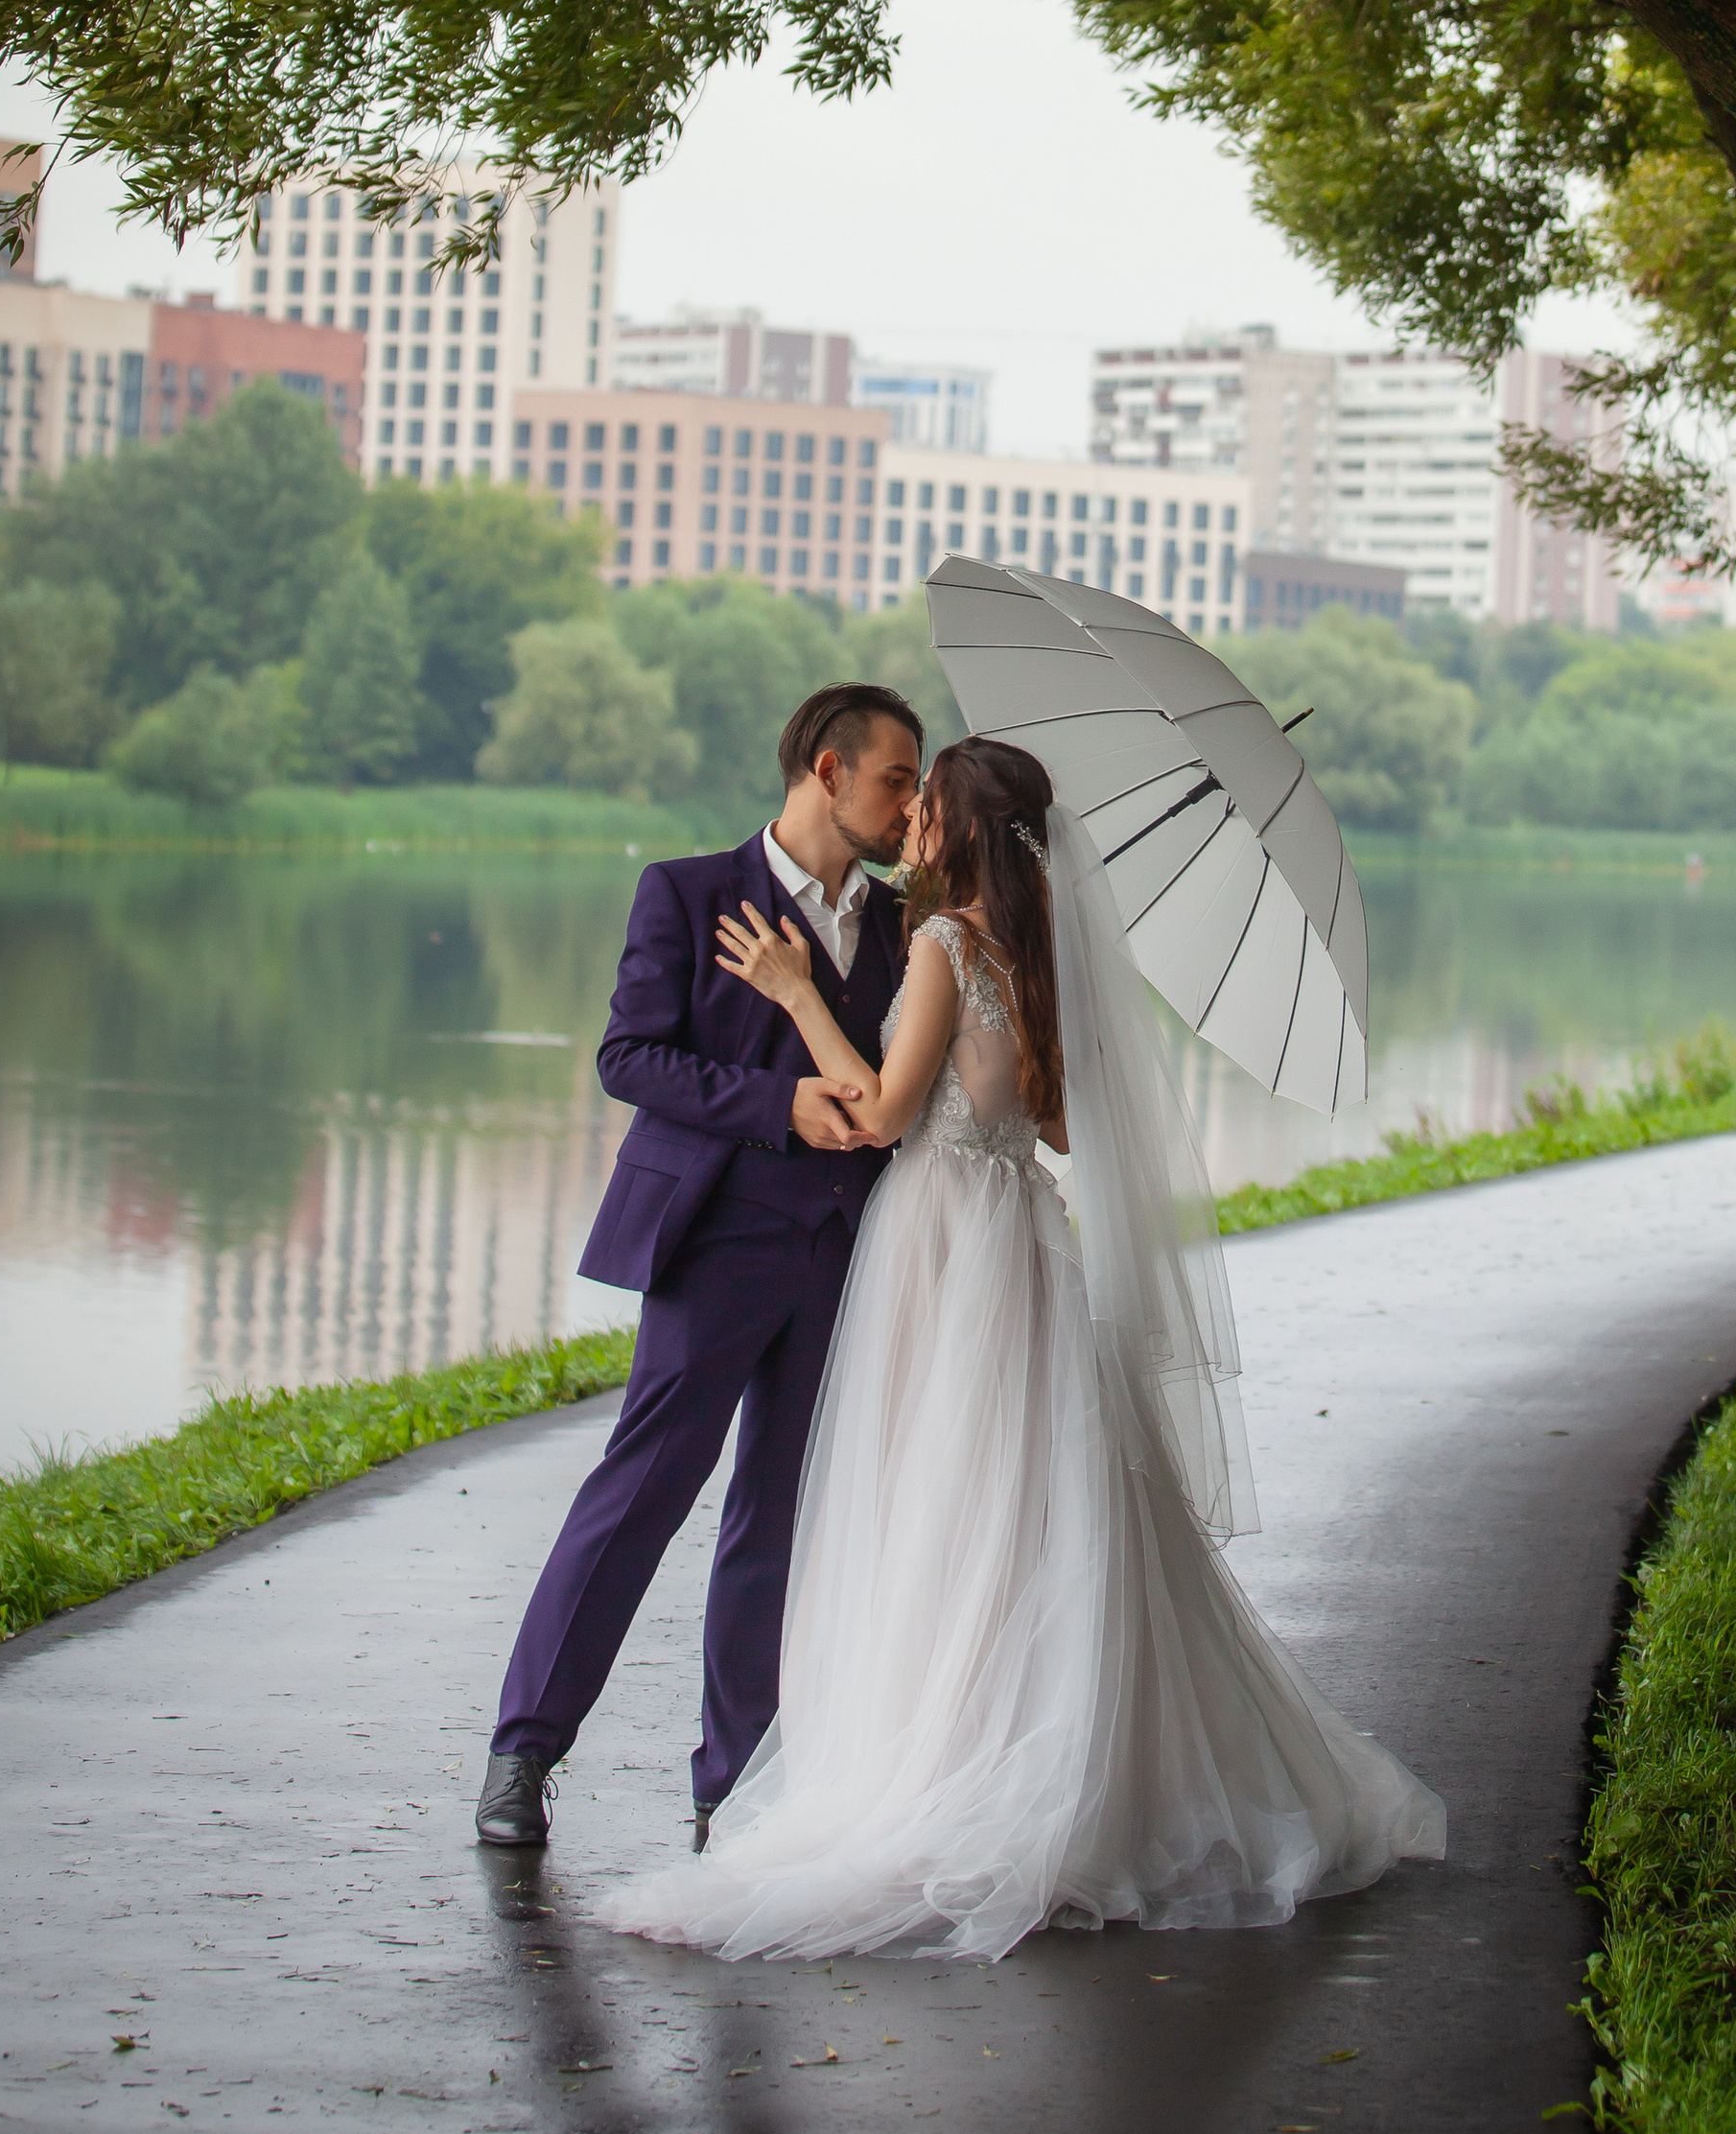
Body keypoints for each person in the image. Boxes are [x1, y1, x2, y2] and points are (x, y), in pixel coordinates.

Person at [602, 734, 1444, 1959]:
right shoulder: (1039, 957)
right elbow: (1049, 1125)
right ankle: (1046, 1746)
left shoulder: (944, 945)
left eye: (926, 804)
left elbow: (888, 1115)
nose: (912, 825)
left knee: (945, 1502)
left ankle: (951, 1754)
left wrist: (794, 997)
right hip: (1023, 1241)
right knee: (1030, 1498)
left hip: (940, 1235)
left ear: (958, 826)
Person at [474, 682, 926, 1853]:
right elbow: (629, 1058)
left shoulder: (901, 925)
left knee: (778, 1519)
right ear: (826, 771)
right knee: (640, 1494)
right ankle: (523, 1752)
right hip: (716, 1239)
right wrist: (778, 1103)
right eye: (895, 778)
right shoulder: (683, 891)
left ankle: (734, 1786)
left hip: (845, 1251)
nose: (909, 801)